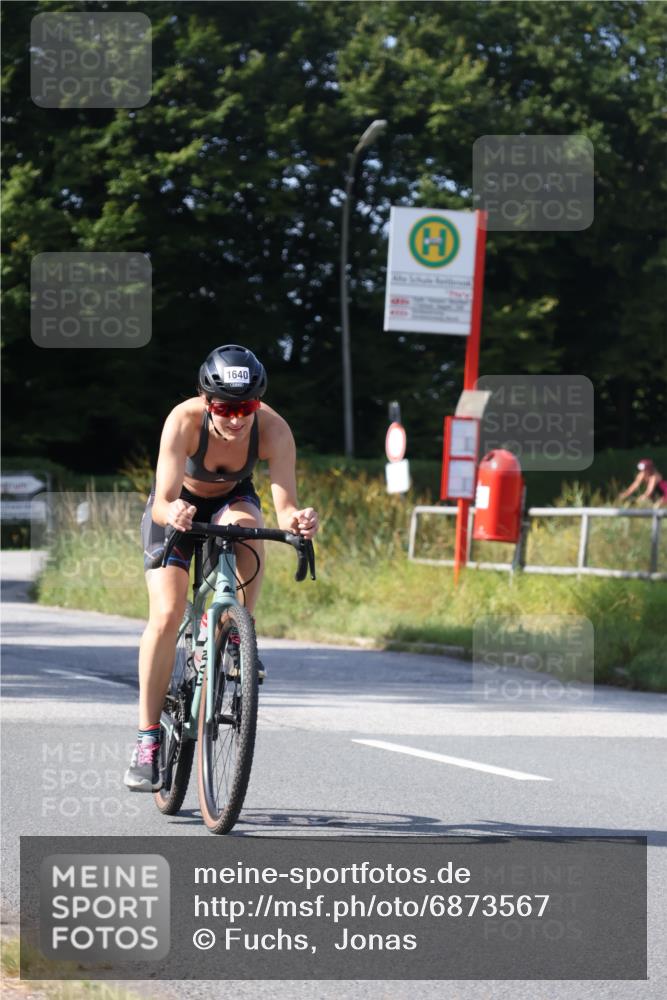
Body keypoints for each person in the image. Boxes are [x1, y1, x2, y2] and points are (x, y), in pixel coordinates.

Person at [124, 344, 319, 791]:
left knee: (250, 530)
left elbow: (285, 505)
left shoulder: (273, 429)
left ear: (258, 402)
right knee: (168, 613)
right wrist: (174, 513)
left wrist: (301, 520)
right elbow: (164, 498)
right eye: (224, 408)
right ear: (206, 401)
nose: (235, 418)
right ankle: (147, 739)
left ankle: (236, 634)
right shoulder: (183, 420)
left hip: (231, 497)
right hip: (176, 508)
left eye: (245, 407)